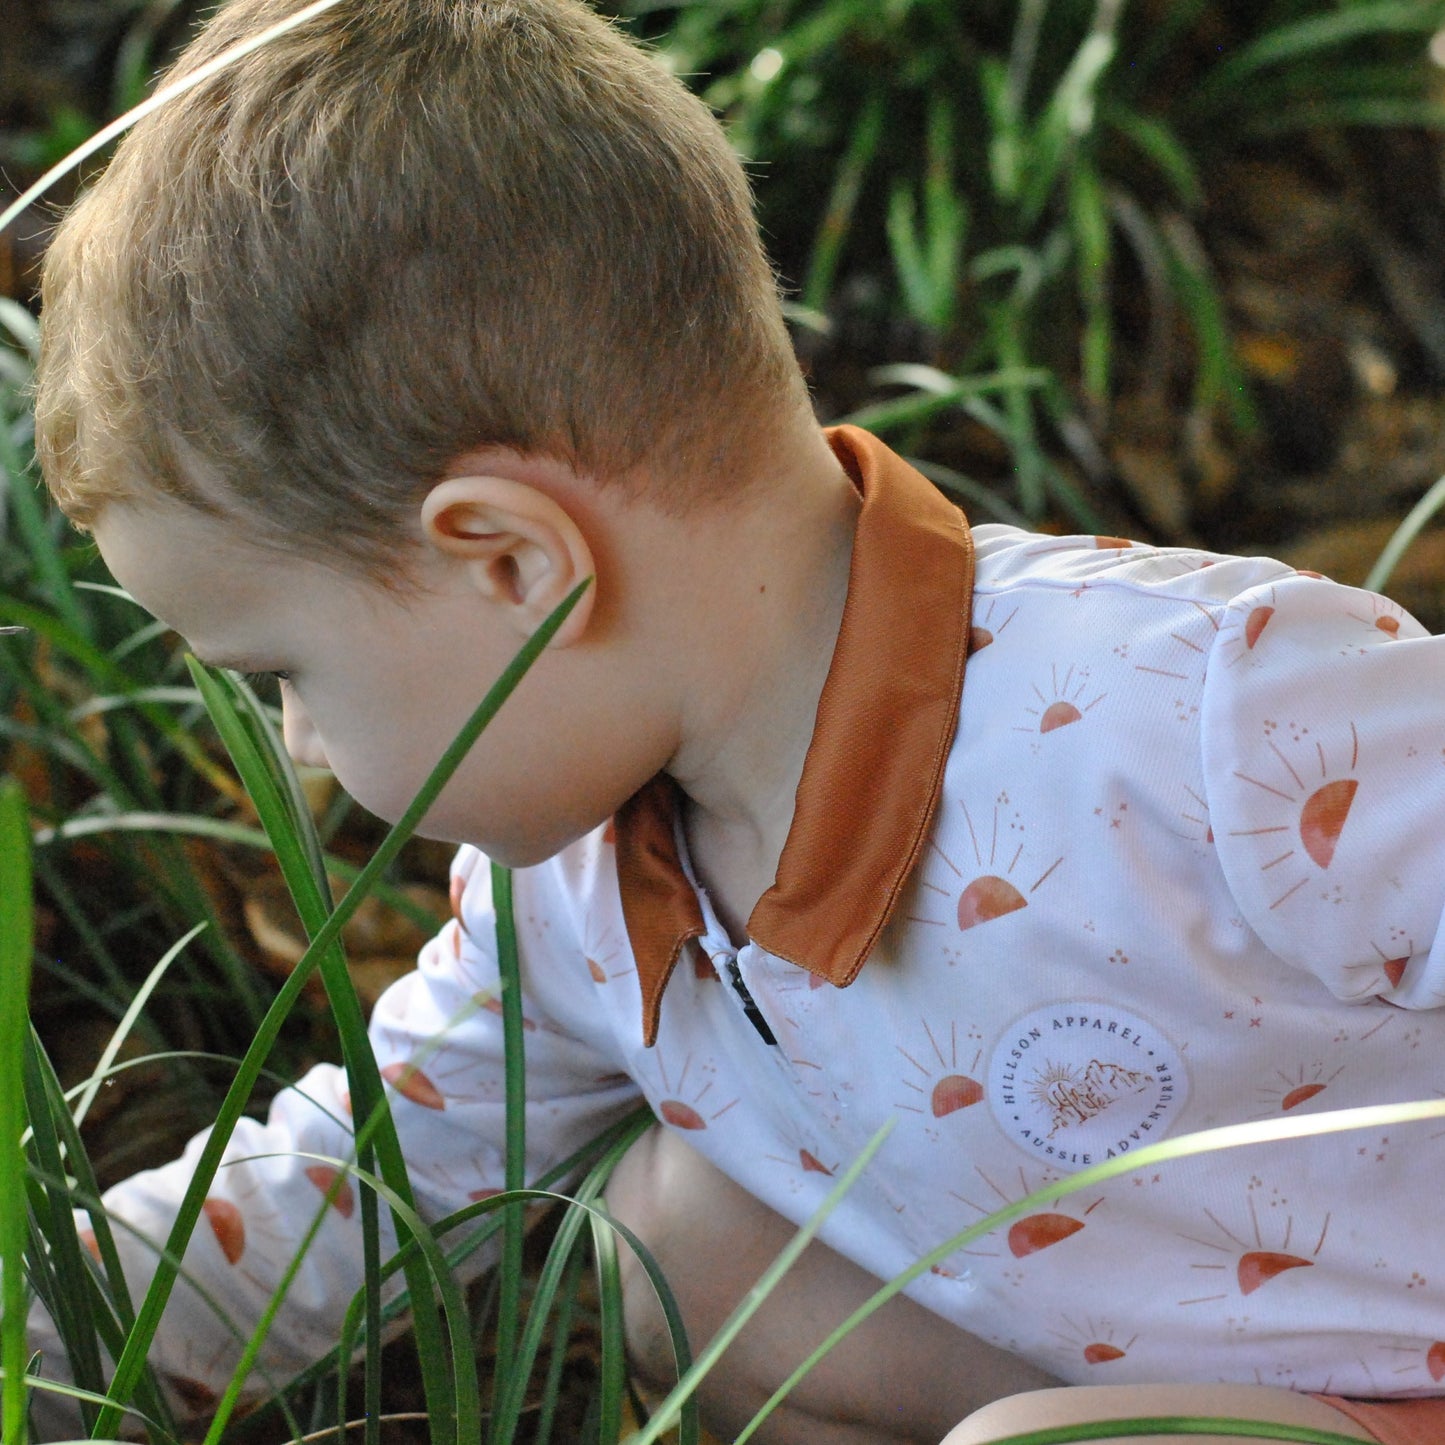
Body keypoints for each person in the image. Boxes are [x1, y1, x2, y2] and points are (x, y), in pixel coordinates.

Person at [26, 0, 1445, 1440]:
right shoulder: (572, 893)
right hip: (1194, 1371)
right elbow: (357, 1180)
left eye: (285, 670)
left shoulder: (1200, 720)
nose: (300, 744)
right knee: (680, 1242)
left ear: (513, 561)